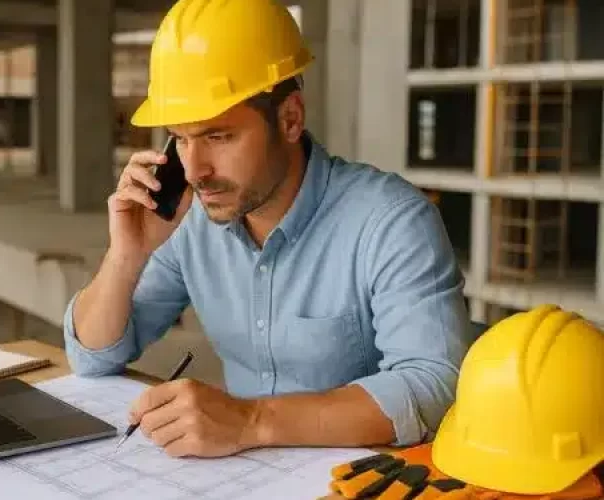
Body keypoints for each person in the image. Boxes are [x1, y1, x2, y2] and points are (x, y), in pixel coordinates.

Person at [64, 0, 473, 458]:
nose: (195, 171)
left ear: (290, 118)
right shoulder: (189, 221)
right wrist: (126, 257)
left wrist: (250, 421)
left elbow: (434, 385)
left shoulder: (391, 220)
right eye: (180, 138)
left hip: (366, 478)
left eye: (218, 136)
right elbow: (92, 356)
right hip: (245, 476)